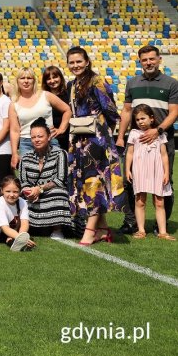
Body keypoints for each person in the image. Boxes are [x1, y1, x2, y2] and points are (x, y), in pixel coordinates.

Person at [115, 44, 178, 234]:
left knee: (165, 182)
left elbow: (174, 112)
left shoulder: (171, 83)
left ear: (159, 59)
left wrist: (157, 130)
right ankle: (132, 223)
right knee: (130, 181)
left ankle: (162, 225)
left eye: (152, 58)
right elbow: (127, 111)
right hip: (137, 141)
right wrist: (120, 136)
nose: (149, 62)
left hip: (162, 139)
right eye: (145, 60)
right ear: (140, 62)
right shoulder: (132, 82)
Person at [65, 46, 125, 245]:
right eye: (72, 62)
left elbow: (111, 110)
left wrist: (103, 132)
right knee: (84, 184)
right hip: (79, 141)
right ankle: (103, 228)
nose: (75, 65)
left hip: (96, 141)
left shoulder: (97, 80)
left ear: (87, 61)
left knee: (94, 184)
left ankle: (90, 231)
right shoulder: (72, 84)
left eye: (79, 61)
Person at [125, 105, 174, 240]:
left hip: (156, 170)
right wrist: (127, 169)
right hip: (139, 170)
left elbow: (164, 155)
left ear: (151, 118)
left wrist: (166, 173)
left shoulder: (160, 135)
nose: (140, 121)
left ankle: (162, 232)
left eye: (143, 118)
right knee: (140, 201)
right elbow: (129, 154)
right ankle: (141, 230)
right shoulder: (134, 134)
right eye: (137, 119)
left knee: (159, 202)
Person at [18, 118, 71, 238]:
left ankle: (57, 230)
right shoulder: (25, 158)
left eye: (40, 136)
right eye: (33, 137)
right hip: (32, 195)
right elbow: (23, 181)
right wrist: (29, 191)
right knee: (16, 197)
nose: (36, 140)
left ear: (48, 137)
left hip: (50, 192)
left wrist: (40, 189)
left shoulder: (60, 154)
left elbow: (60, 180)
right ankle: (24, 230)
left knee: (59, 192)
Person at [8, 68, 72, 168]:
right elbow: (14, 130)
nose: (26, 81)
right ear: (17, 81)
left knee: (56, 174)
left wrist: (61, 129)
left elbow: (67, 110)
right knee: (30, 177)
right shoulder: (13, 104)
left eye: (29, 78)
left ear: (34, 80)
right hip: (26, 143)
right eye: (22, 78)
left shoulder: (46, 95)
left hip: (50, 141)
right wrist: (14, 153)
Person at [0, 176, 35, 251]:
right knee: (7, 237)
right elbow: (5, 228)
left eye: (15, 192)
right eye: (8, 191)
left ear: (20, 191)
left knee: (26, 234)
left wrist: (22, 237)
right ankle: (12, 243)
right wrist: (21, 239)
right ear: (2, 190)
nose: (11, 195)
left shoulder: (22, 202)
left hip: (15, 230)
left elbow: (25, 223)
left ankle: (18, 242)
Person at [42, 66, 71, 151]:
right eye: (48, 79)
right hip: (51, 138)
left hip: (67, 136)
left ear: (60, 77)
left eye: (55, 77)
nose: (52, 81)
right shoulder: (43, 96)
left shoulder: (69, 94)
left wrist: (61, 129)